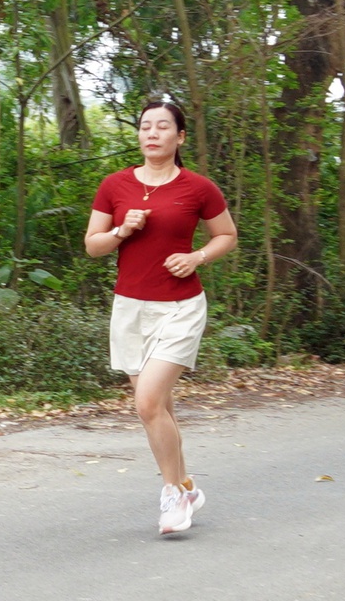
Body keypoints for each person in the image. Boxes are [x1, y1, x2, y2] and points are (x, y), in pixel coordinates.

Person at [83, 98, 239, 537]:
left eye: (162, 126)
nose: (152, 133)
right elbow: (93, 245)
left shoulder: (199, 188)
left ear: (180, 136)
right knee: (161, 408)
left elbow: (226, 235)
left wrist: (197, 257)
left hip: (180, 308)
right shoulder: (114, 185)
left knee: (148, 402)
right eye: (145, 126)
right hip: (130, 309)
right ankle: (186, 486)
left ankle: (172, 494)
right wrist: (121, 230)